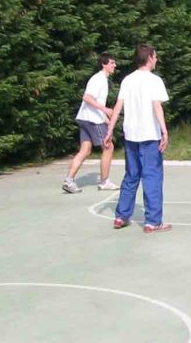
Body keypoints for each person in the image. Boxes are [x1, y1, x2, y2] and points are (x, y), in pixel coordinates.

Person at [104, 44, 171, 233]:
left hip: (131, 135)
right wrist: (164, 131)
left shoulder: (127, 80)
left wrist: (110, 129)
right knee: (152, 176)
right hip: (149, 135)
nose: (156, 59)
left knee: (131, 175)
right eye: (155, 56)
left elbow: (118, 105)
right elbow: (156, 106)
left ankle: (121, 216)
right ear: (149, 57)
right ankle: (153, 221)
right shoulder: (154, 80)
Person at [63, 53, 119, 194]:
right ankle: (105, 181)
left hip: (85, 118)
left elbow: (95, 102)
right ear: (104, 64)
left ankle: (69, 181)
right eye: (112, 63)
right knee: (108, 147)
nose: (114, 65)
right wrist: (105, 110)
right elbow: (87, 98)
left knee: (85, 150)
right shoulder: (98, 79)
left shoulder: (102, 80)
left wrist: (106, 119)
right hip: (91, 119)